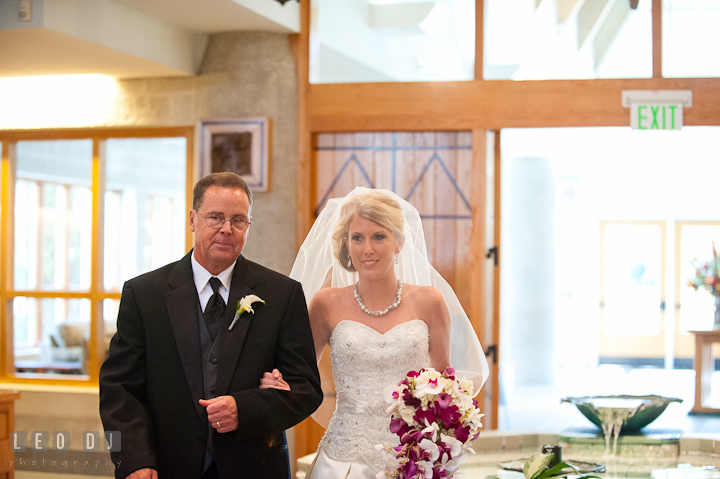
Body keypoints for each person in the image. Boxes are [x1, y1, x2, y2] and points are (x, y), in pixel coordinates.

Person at [99, 172, 323, 479]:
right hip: (164, 467)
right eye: (215, 217)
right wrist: (134, 459)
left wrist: (244, 410)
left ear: (248, 225)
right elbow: (120, 389)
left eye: (238, 220)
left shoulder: (282, 294)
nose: (226, 230)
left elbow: (306, 389)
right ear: (192, 219)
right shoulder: (144, 294)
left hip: (254, 468)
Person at [261, 187, 488, 478]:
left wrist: (441, 444)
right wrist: (280, 383)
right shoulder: (325, 303)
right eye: (357, 238)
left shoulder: (430, 302)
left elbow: (445, 388)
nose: (367, 249)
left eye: (379, 236)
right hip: (343, 458)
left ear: (399, 242)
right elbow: (301, 374)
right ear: (346, 244)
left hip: (411, 458)